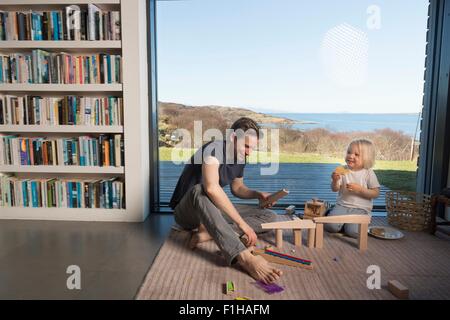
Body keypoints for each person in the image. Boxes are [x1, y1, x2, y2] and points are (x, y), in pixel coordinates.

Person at [169, 117, 283, 284]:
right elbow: (211, 188)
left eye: (252, 148)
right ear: (232, 138)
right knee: (200, 189)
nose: (249, 152)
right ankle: (243, 257)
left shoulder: (240, 157)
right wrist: (242, 225)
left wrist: (258, 194)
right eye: (246, 146)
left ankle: (210, 232)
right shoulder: (214, 150)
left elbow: (237, 189)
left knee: (269, 216)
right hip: (187, 212)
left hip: (211, 211)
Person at [326, 139, 380, 238]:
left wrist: (360, 190)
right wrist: (334, 180)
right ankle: (339, 221)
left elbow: (376, 193)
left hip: (361, 209)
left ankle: (347, 225)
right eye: (349, 152)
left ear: (366, 158)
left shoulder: (368, 172)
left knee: (355, 233)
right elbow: (335, 189)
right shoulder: (342, 169)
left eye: (356, 154)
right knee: (330, 227)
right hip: (342, 206)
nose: (351, 156)